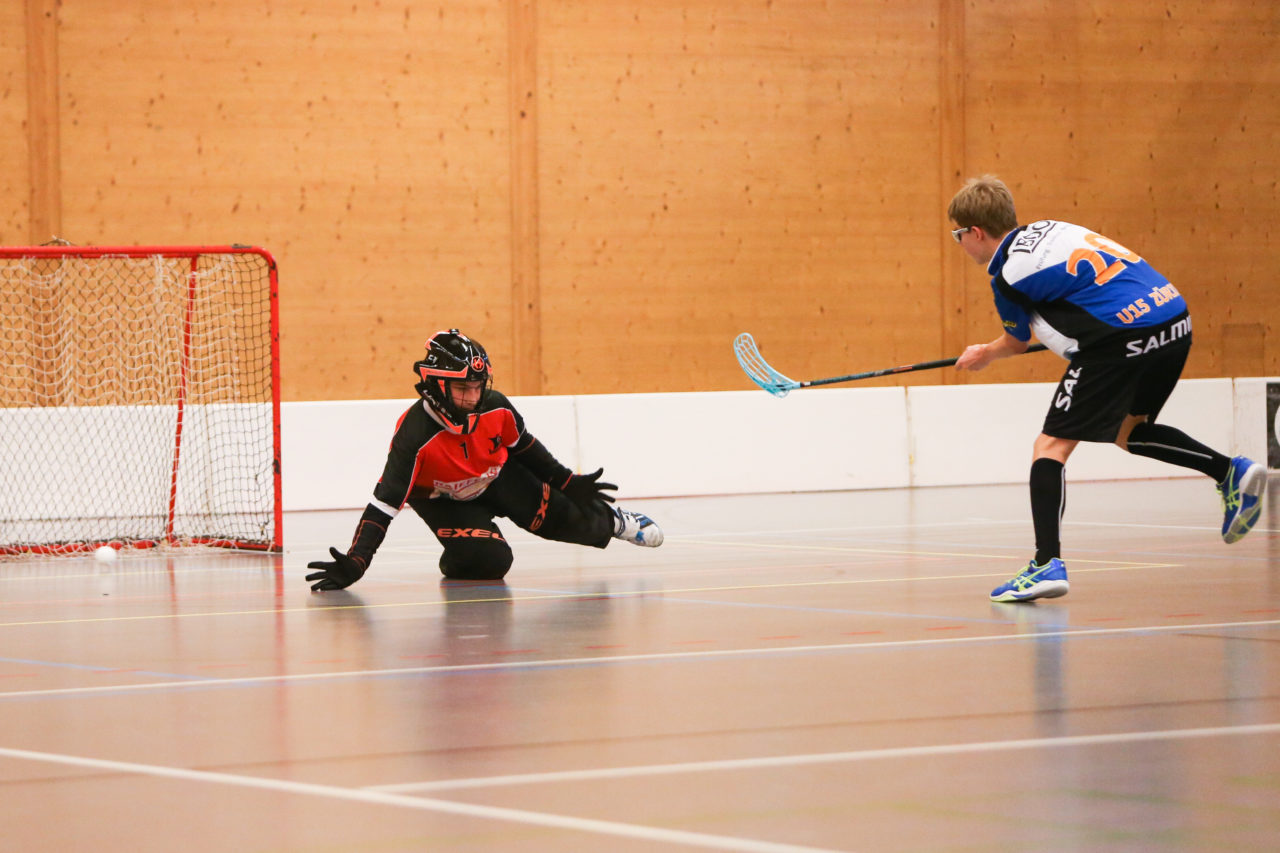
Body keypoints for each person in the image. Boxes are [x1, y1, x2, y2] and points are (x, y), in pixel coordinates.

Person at [948, 175, 1266, 603]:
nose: (959, 244)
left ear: (976, 232)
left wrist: (985, 353)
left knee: (1050, 447)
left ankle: (1045, 564)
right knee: (1128, 430)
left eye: (958, 235)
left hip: (1121, 340)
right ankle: (1230, 471)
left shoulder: (1005, 275)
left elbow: (1017, 341)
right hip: (1173, 319)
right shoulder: (1053, 228)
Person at [305, 329, 662, 591]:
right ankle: (461, 551)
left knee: (561, 519)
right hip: (443, 499)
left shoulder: (496, 406)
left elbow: (525, 448)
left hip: (498, 475)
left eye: (478, 387)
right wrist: (357, 560)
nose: (473, 398)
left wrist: (568, 482)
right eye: (463, 389)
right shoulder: (413, 436)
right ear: (435, 385)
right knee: (491, 563)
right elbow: (383, 505)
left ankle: (614, 521)